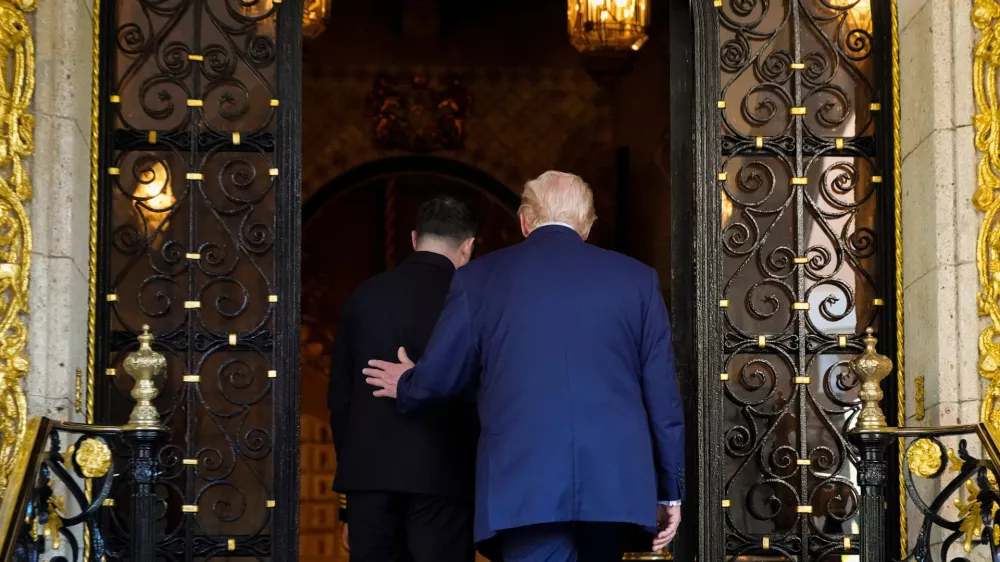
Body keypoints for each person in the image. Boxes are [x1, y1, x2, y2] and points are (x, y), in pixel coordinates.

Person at [363, 171, 685, 562]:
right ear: (586, 225)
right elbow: (663, 398)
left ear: (524, 221)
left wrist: (408, 383)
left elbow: (442, 375)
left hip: (523, 489)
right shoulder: (639, 281)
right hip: (615, 488)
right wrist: (669, 490)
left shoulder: (477, 279)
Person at [328, 196, 480, 562]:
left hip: (369, 483)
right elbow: (484, 394)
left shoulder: (364, 296)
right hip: (444, 481)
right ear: (469, 246)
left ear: (414, 239)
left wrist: (348, 503)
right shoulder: (472, 301)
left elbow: (340, 401)